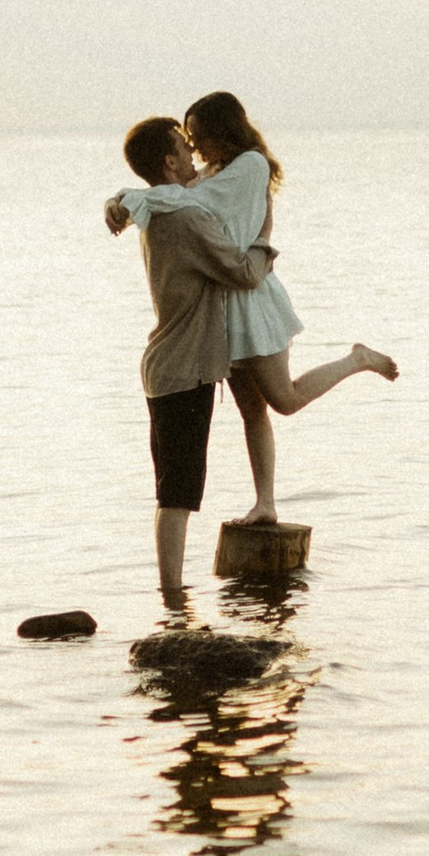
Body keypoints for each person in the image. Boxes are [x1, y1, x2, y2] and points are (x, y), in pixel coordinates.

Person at [105, 89, 395, 521]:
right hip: (224, 301)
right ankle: (265, 504)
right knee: (251, 410)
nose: (194, 146)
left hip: (252, 294)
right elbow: (177, 195)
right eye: (189, 139)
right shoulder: (213, 170)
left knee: (284, 398)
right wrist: (122, 199)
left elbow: (191, 202)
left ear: (224, 131)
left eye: (198, 136)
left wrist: (129, 201)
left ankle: (357, 360)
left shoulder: (250, 166)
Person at [115, 113, 275, 597]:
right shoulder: (185, 216)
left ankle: (172, 595)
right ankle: (173, 595)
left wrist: (118, 200)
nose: (193, 156)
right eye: (184, 150)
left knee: (173, 487)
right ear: (169, 161)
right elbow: (243, 272)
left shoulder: (160, 211)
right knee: (179, 492)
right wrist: (266, 234)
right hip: (184, 368)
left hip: (167, 364)